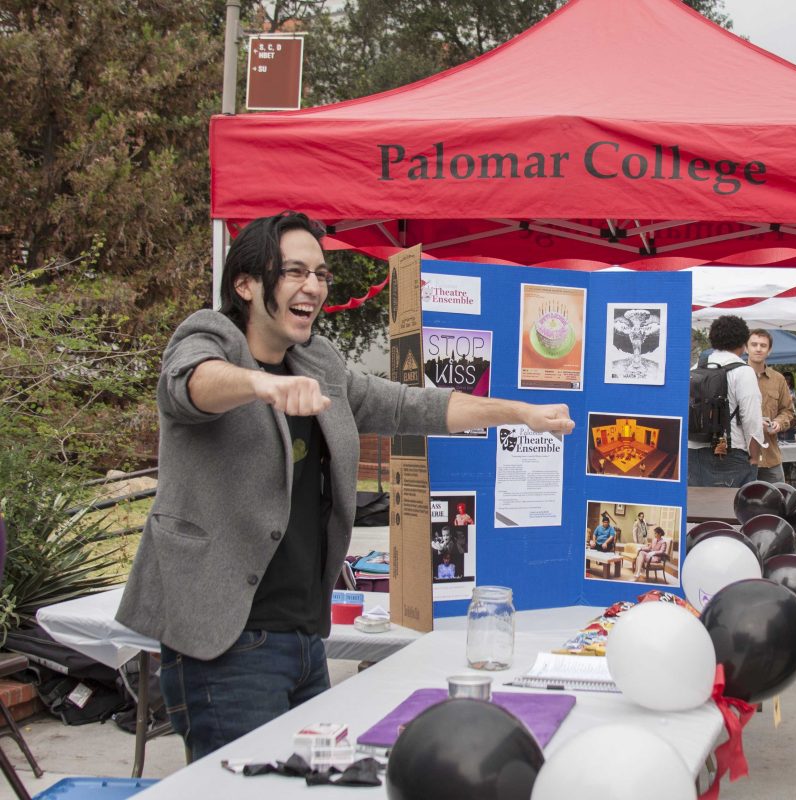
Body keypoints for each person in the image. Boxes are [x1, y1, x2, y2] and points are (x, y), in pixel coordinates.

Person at [115, 212, 575, 761]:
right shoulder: (208, 337)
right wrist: (263, 385)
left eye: (321, 273)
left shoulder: (318, 360)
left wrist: (517, 411)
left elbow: (407, 404)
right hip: (227, 643)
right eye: (293, 271)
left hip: (307, 639)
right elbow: (190, 384)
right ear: (245, 283)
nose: (313, 285)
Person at [687, 315, 764, 487]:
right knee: (731, 510)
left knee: (698, 509)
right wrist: (754, 457)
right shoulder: (744, 372)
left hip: (692, 451)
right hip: (730, 453)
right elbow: (751, 420)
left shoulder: (695, 368)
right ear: (743, 344)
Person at [747, 329, 795, 483]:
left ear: (769, 350)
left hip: (770, 456)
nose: (758, 349)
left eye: (763, 345)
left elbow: (787, 410)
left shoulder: (778, 379)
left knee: (778, 500)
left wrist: (778, 423)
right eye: (754, 344)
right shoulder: (735, 376)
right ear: (746, 348)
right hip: (742, 457)